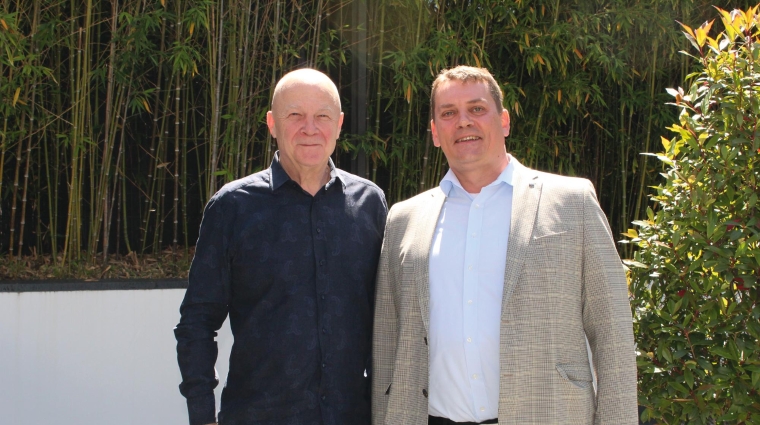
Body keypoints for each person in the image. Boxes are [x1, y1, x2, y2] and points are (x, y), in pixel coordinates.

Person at [372, 66, 637, 425]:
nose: (463, 122)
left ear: (505, 121)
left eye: (477, 109)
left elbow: (613, 333)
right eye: (448, 113)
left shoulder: (572, 202)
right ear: (435, 132)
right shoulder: (404, 219)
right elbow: (388, 343)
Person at [175, 68, 387, 425]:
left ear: (339, 124)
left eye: (322, 116)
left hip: (351, 415)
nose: (310, 128)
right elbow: (197, 321)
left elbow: (389, 319)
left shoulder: (370, 203)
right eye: (295, 115)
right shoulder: (233, 207)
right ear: (272, 123)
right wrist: (202, 414)